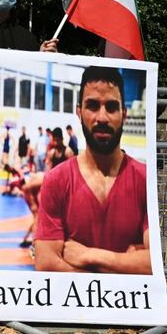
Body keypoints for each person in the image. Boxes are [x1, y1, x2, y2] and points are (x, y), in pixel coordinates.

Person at [34, 66, 150, 274]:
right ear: (79, 112)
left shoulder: (145, 179)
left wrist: (89, 255)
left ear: (124, 114)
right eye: (93, 106)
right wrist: (124, 263)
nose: (102, 117)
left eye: (112, 107)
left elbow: (153, 263)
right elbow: (46, 262)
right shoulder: (56, 180)